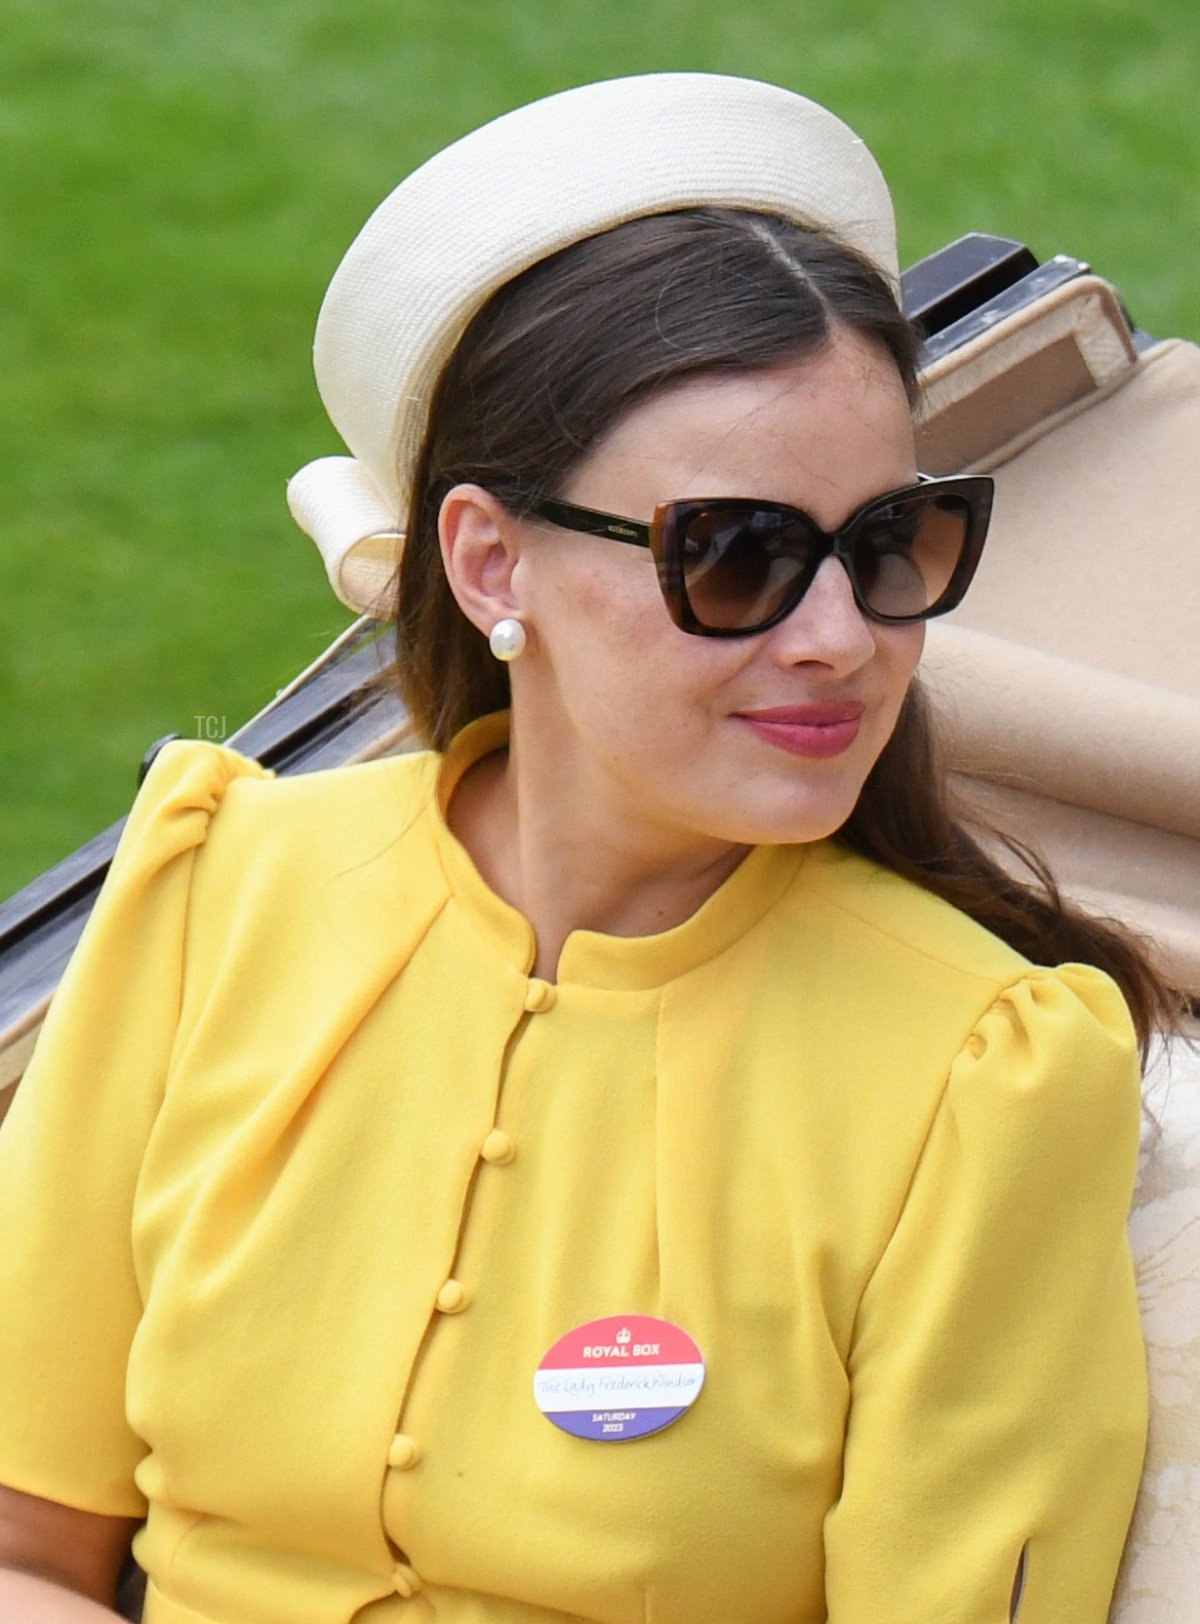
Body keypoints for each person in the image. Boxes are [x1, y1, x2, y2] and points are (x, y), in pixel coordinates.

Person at [0, 72, 1180, 1624]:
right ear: (492, 560)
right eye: (740, 554)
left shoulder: (987, 1074)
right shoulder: (218, 884)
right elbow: (30, 1542)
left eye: (888, 545)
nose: (841, 638)